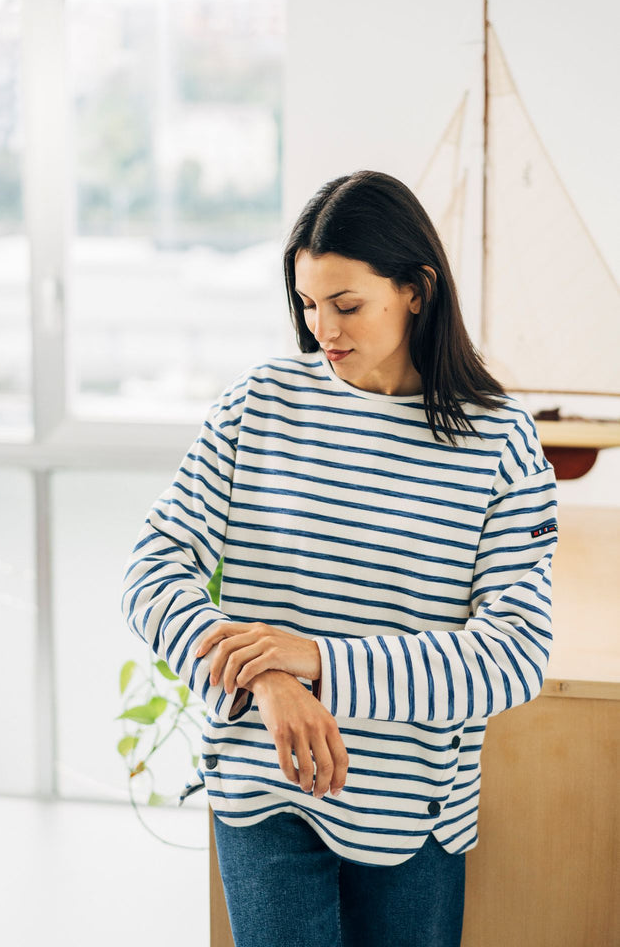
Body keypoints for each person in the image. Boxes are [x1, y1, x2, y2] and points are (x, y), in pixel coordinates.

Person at [121, 170, 558, 947]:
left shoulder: (500, 442)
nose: (323, 329)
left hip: (411, 812)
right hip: (262, 792)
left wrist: (320, 662)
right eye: (307, 304)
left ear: (415, 290)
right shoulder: (258, 403)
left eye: (347, 305)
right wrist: (269, 678)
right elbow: (152, 569)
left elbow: (512, 658)